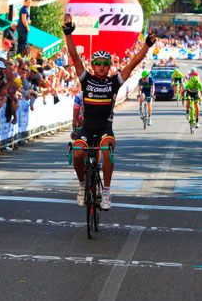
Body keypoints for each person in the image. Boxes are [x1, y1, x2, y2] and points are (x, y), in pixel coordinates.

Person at [63, 15, 156, 210]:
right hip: (87, 128)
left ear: (109, 66)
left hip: (105, 128)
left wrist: (147, 45)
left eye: (106, 63)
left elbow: (131, 64)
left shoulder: (114, 81)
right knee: (78, 154)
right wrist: (68, 35)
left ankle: (106, 192)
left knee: (107, 150)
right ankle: (81, 186)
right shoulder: (86, 79)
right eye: (98, 63)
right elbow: (75, 57)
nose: (102, 66)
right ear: (93, 65)